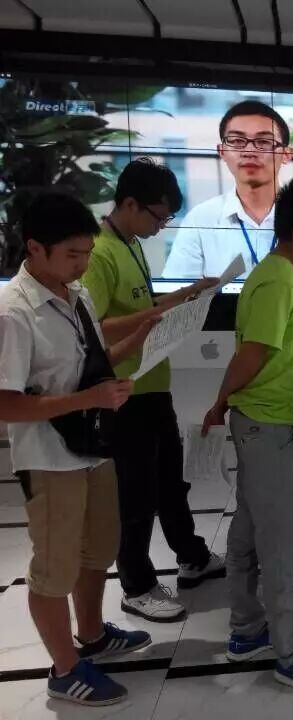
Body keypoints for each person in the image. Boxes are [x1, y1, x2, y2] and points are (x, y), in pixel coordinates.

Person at [0, 193, 159, 705]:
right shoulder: (14, 312)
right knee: (55, 567)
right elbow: (6, 403)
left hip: (93, 445)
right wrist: (89, 399)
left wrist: (142, 336)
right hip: (50, 458)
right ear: (35, 248)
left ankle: (91, 635)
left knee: (98, 548)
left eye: (87, 252)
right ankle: (65, 670)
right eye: (72, 254)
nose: (83, 264)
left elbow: (94, 361)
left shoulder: (77, 295)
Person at [200, 179, 293, 698]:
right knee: (283, 548)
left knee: (247, 531)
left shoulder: (283, 276)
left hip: (264, 424)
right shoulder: (280, 280)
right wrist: (220, 401)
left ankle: (246, 630)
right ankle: (292, 653)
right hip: (270, 427)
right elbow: (254, 353)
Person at [82, 159, 224, 622]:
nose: (160, 227)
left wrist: (186, 295)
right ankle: (137, 585)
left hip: (152, 382)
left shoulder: (130, 244)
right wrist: (154, 316)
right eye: (158, 218)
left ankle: (192, 556)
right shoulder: (100, 253)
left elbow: (141, 304)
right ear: (130, 204)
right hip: (124, 392)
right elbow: (95, 327)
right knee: (136, 494)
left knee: (169, 483)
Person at [163, 101, 293, 280]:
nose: (249, 151)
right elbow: (178, 290)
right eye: (237, 141)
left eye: (264, 142)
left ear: (286, 154)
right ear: (222, 151)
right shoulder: (200, 219)